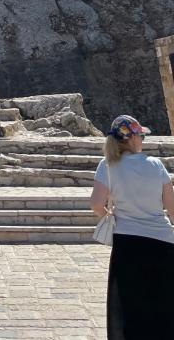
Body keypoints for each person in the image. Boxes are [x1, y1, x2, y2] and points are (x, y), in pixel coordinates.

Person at [90, 114, 174, 339]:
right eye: (141, 136)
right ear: (132, 138)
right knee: (163, 303)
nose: (143, 140)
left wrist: (111, 216)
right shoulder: (155, 165)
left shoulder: (107, 165)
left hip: (127, 242)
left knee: (130, 305)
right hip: (162, 242)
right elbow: (173, 209)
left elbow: (96, 204)